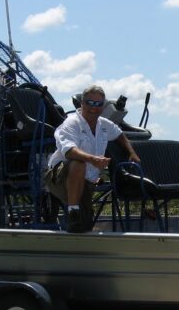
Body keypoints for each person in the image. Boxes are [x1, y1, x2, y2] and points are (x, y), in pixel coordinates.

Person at [44, 84, 140, 233]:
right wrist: (93, 159)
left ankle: (80, 223)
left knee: (85, 225)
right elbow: (69, 151)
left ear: (103, 106)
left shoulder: (104, 124)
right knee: (78, 163)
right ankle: (73, 212)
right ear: (82, 103)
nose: (93, 107)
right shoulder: (71, 123)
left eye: (98, 104)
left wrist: (132, 153)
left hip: (87, 180)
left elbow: (120, 134)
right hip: (60, 178)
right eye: (90, 102)